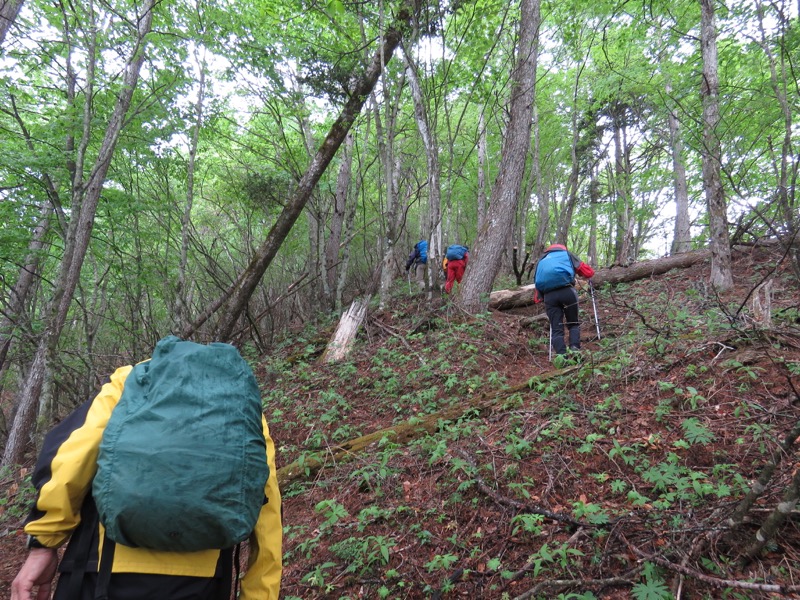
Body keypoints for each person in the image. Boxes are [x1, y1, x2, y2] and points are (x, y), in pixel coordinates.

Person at [11, 359, 282, 600]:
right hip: (204, 582)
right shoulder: (242, 406)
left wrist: (44, 543)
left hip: (101, 573)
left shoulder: (129, 382)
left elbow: (72, 457)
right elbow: (266, 509)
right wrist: (260, 593)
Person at [533, 243, 595, 357]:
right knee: (573, 324)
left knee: (556, 329)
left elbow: (537, 287)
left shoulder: (541, 261)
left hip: (549, 296)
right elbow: (588, 272)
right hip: (567, 292)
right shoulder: (567, 254)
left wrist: (542, 298)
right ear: (562, 249)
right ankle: (575, 352)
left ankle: (562, 357)